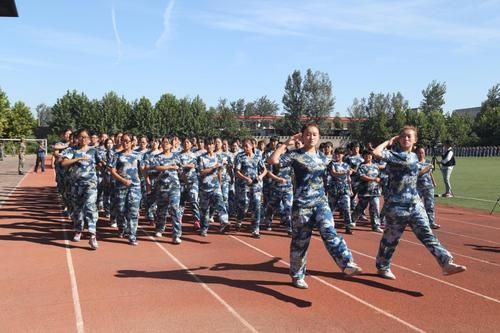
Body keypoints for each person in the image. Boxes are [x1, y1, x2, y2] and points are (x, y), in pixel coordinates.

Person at [268, 124, 362, 289]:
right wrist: (286, 143)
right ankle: (297, 275)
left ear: (319, 137)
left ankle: (347, 263)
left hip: (320, 203)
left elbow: (333, 175)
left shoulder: (324, 158)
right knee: (300, 242)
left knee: (329, 231)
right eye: (308, 134)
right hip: (302, 205)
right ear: (302, 136)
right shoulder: (295, 155)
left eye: (315, 134)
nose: (311, 137)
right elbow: (273, 161)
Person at [372, 126, 466, 280]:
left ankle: (445, 263)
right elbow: (376, 152)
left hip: (415, 204)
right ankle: (382, 266)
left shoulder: (414, 157)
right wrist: (388, 141)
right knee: (390, 239)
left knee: (427, 234)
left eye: (409, 136)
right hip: (397, 206)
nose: (406, 139)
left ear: (415, 140)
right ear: (398, 139)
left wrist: (426, 169)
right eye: (402, 136)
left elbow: (413, 173)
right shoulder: (396, 155)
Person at [60, 130, 101, 250]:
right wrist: (77, 159)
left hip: (90, 184)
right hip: (76, 184)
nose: (83, 139)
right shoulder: (72, 150)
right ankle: (78, 230)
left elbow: (100, 164)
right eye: (81, 137)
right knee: (77, 208)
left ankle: (93, 235)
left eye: (85, 137)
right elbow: (64, 162)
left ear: (89, 139)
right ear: (77, 138)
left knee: (90, 206)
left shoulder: (94, 151)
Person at [109, 133, 143, 246]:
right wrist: (122, 180)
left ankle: (132, 235)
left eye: (128, 141)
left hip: (135, 186)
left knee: (133, 211)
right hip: (121, 186)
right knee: (120, 210)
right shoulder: (117, 155)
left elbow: (142, 170)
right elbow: (112, 171)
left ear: (132, 142)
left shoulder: (138, 155)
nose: (125, 143)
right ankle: (122, 228)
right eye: (123, 140)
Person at [415, 145, 440, 229]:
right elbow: (418, 174)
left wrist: (434, 182)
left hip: (429, 187)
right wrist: (427, 168)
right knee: (417, 206)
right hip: (418, 187)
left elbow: (430, 173)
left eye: (423, 152)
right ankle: (417, 222)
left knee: (430, 205)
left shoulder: (428, 162)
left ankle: (431, 222)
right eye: (419, 153)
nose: (421, 154)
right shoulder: (415, 163)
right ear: (416, 154)